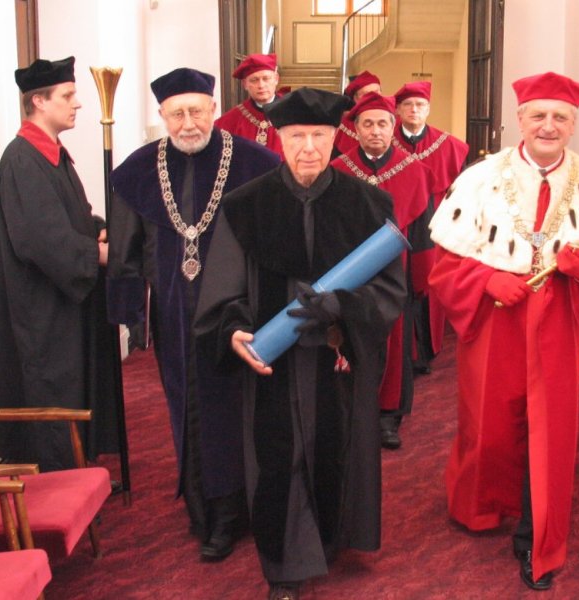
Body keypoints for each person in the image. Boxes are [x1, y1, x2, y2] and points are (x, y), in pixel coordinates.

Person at [193, 87, 406, 600]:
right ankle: (286, 567)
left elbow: (392, 289)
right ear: (278, 138)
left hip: (336, 358)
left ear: (337, 137)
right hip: (276, 363)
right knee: (278, 459)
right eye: (296, 136)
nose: (308, 147)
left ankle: (330, 540)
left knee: (339, 451)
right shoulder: (245, 207)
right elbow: (223, 292)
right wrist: (234, 330)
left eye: (318, 135)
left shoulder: (367, 203)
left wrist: (344, 308)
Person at [427, 72, 579, 591]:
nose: (548, 126)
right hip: (496, 318)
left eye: (559, 118)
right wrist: (488, 276)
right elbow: (442, 266)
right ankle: (482, 505)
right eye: (538, 115)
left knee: (551, 431)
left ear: (573, 125)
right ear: (519, 120)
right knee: (489, 421)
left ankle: (537, 537)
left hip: (559, 320)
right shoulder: (479, 178)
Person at [107, 68, 280, 561]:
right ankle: (207, 512)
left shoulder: (255, 162)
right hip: (174, 317)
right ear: (162, 115)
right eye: (177, 113)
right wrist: (126, 312)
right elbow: (124, 249)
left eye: (197, 111)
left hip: (237, 310)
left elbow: (272, 238)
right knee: (189, 410)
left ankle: (240, 507)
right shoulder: (136, 171)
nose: (188, 123)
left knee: (236, 406)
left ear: (213, 109)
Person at [0, 56, 121, 473]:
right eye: (67, 96)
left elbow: (73, 217)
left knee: (74, 390)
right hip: (43, 311)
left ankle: (79, 474)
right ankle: (60, 488)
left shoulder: (52, 154)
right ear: (39, 102)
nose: (77, 104)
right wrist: (98, 254)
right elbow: (42, 239)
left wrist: (97, 229)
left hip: (66, 304)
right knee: (53, 393)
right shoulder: (21, 160)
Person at [331, 92, 434, 450]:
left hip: (396, 275)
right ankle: (350, 415)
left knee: (396, 345)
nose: (376, 131)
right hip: (350, 277)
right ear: (355, 129)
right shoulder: (338, 173)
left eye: (383, 123)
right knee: (350, 341)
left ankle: (388, 417)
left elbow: (421, 231)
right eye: (368, 124)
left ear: (394, 127)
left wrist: (420, 280)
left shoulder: (416, 172)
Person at [392, 81, 470, 373]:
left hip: (433, 225)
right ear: (398, 110)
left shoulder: (448, 145)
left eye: (420, 105)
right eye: (408, 105)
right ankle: (401, 352)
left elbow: (461, 193)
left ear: (428, 109)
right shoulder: (386, 142)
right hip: (397, 223)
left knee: (428, 287)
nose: (414, 110)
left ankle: (425, 351)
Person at [215, 53, 284, 157]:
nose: (261, 85)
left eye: (266, 78)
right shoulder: (231, 120)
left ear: (276, 79)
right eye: (254, 80)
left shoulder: (295, 112)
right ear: (245, 84)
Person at [333, 70, 381, 156]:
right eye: (367, 94)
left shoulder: (392, 120)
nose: (374, 97)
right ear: (355, 99)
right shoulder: (342, 124)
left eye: (377, 92)